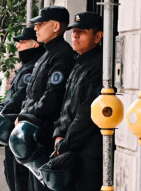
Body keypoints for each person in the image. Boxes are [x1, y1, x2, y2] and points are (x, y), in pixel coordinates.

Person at [16, 6, 75, 191]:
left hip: (46, 131)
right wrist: (24, 113)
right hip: (34, 132)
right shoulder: (46, 54)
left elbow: (52, 98)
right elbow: (31, 93)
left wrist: (27, 114)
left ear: (56, 26)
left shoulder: (62, 55)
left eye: (41, 24)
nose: (36, 28)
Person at [52, 12, 104, 191]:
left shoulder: (100, 66)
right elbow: (65, 106)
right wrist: (59, 133)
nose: (74, 35)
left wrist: (64, 143)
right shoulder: (78, 64)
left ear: (97, 36)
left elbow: (87, 112)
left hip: (88, 150)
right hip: (71, 147)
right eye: (73, 31)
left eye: (81, 31)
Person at [0, 27, 45, 191]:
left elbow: (18, 98)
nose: (18, 46)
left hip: (22, 133)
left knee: (20, 179)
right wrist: (0, 109)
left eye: (22, 42)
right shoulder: (26, 67)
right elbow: (11, 96)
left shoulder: (32, 68)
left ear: (35, 44)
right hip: (15, 132)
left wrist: (2, 112)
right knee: (13, 176)